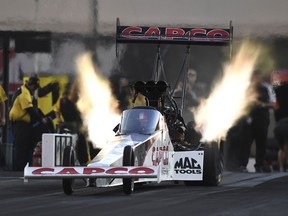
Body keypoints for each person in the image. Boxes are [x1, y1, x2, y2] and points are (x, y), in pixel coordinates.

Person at [9, 76, 48, 171]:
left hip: (24, 123)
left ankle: (23, 167)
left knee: (25, 145)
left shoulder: (27, 93)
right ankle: (19, 169)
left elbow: (34, 109)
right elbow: (30, 109)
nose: (35, 89)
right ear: (31, 85)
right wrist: (40, 120)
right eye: (35, 87)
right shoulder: (24, 93)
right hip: (20, 123)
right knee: (21, 146)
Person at [238, 70, 274, 172]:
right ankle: (242, 164)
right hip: (249, 118)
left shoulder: (267, 88)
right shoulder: (246, 88)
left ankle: (259, 165)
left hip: (262, 118)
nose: (255, 79)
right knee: (245, 142)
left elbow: (273, 103)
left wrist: (263, 105)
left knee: (261, 142)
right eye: (254, 77)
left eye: (257, 77)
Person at [271, 69, 288, 171]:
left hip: (278, 126)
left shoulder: (276, 91)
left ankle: (281, 168)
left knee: (281, 149)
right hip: (286, 123)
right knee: (286, 146)